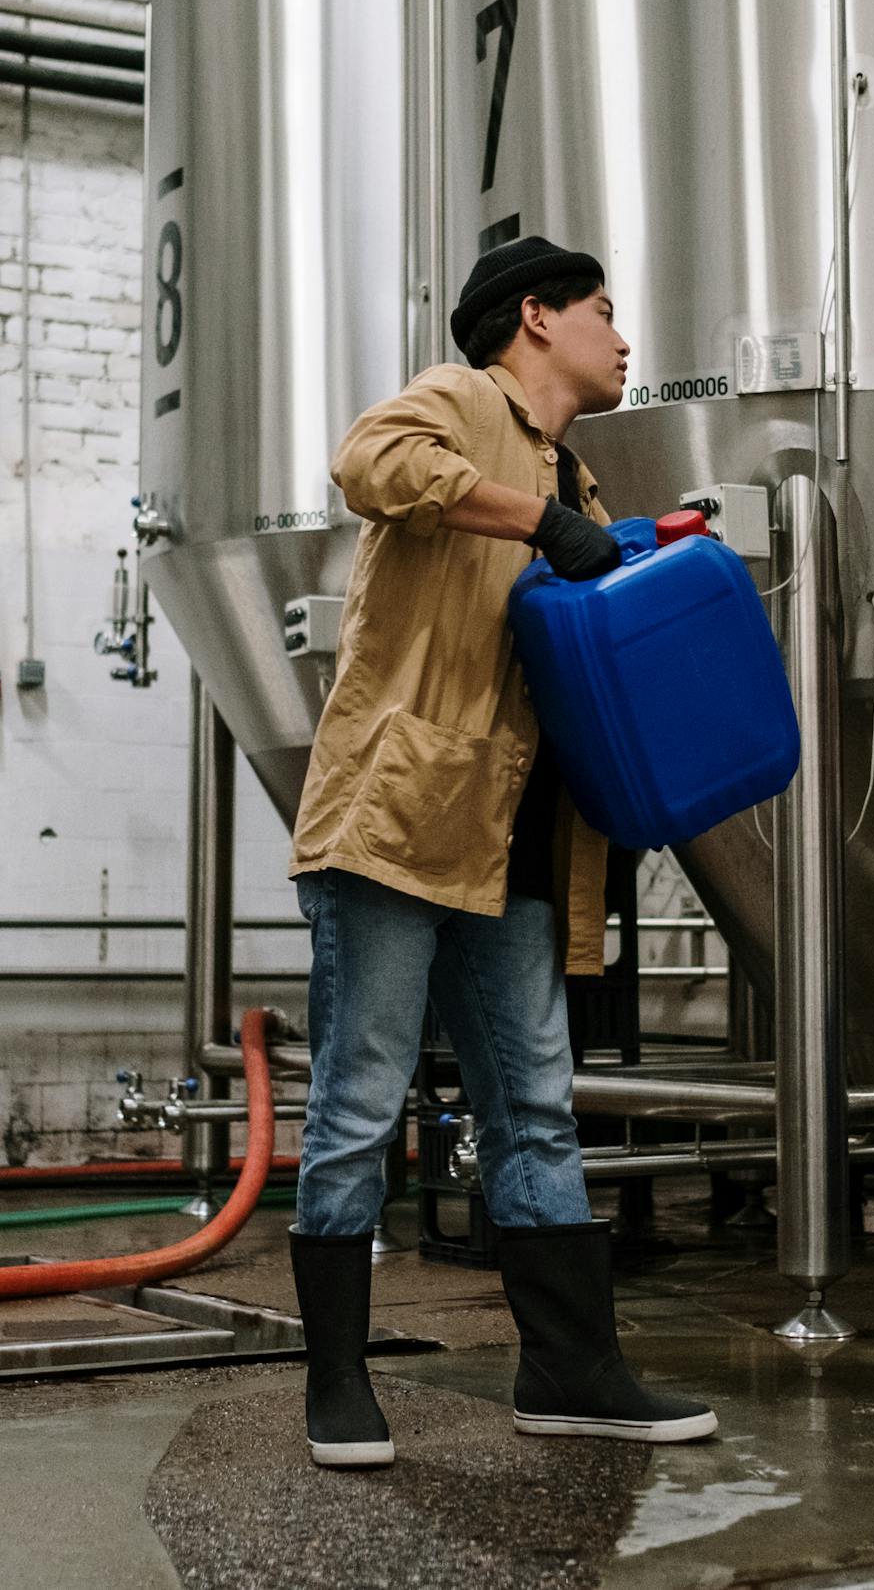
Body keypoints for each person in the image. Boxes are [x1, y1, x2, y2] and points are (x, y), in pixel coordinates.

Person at [284, 236, 720, 1469]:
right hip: (400, 820)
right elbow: (370, 461)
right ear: (534, 316)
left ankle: (570, 1371)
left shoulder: (573, 481)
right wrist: (541, 521)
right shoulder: (462, 400)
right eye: (604, 312)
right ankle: (337, 1383)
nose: (624, 339)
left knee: (534, 1105)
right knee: (361, 1098)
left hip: (520, 840)